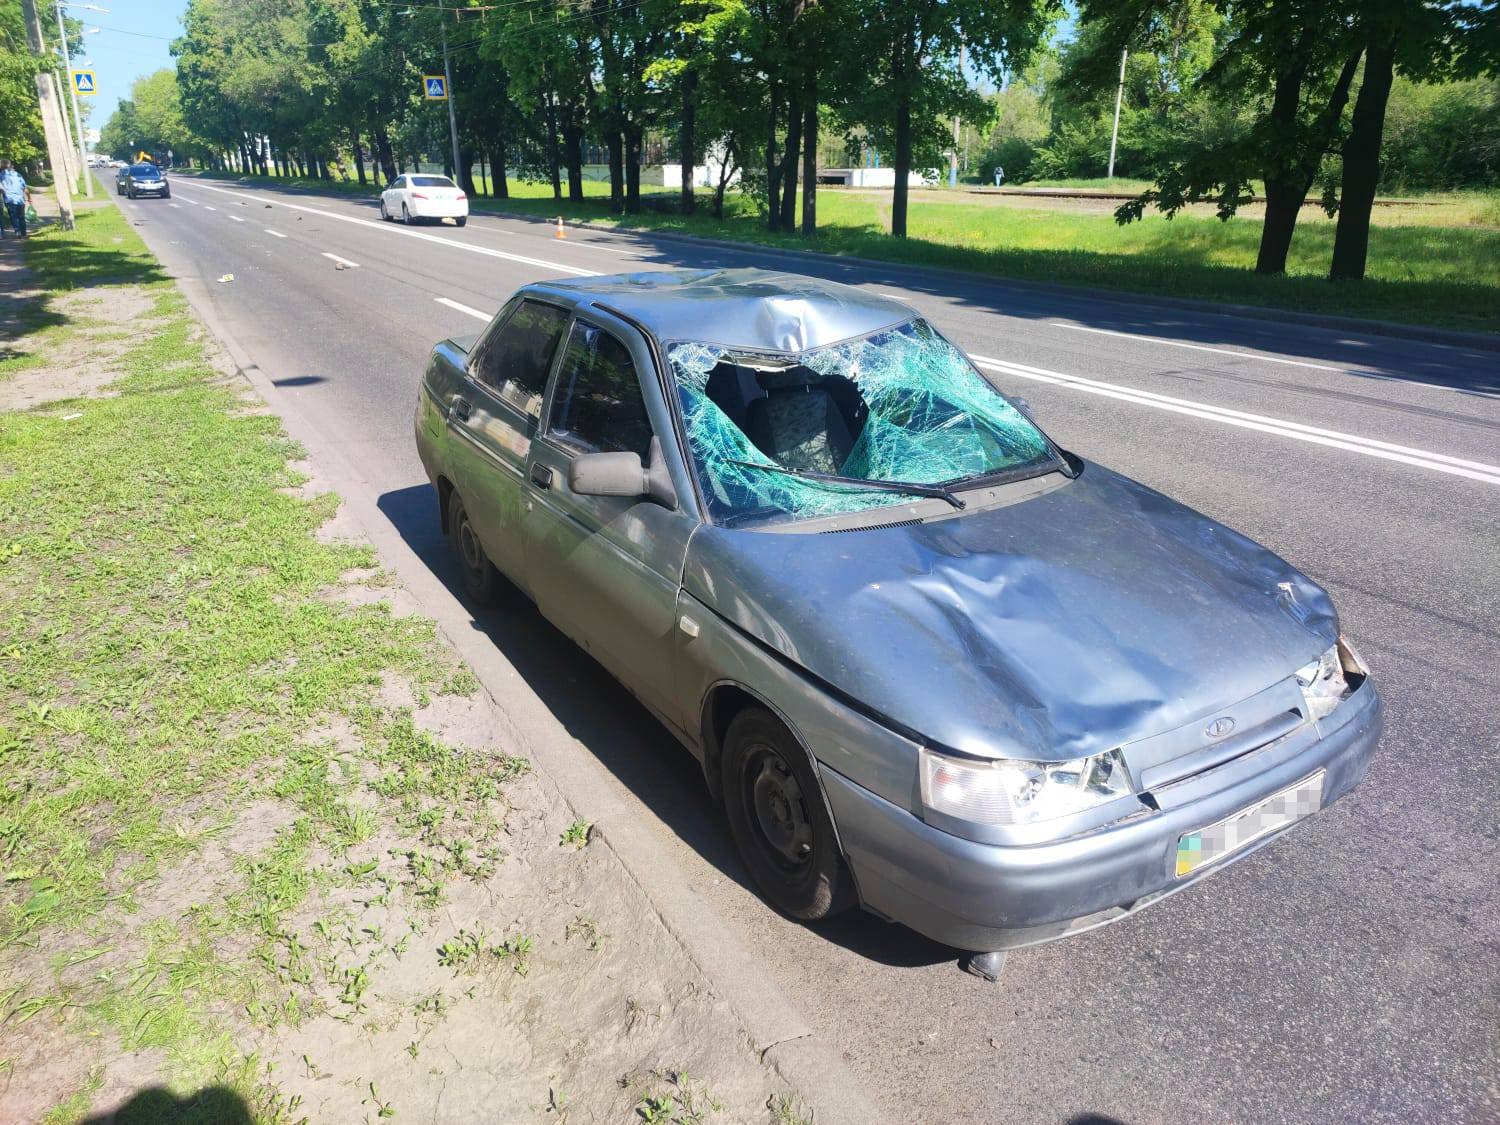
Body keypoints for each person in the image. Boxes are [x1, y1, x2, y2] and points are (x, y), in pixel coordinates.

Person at [1, 160, 31, 238]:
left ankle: (17, 232)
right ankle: (24, 234)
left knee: (14, 217)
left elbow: (1, 189)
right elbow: (25, 189)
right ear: (10, 166)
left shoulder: (1, 176)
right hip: (20, 200)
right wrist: (29, 198)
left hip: (9, 200)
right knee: (22, 217)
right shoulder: (18, 175)